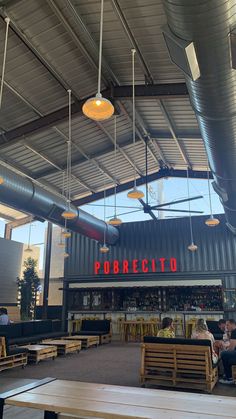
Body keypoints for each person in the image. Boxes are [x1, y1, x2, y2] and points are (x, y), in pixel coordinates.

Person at [219, 319, 236, 385]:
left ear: (232, 324)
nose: (226, 326)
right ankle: (227, 374)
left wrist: (225, 350)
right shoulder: (233, 332)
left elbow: (231, 348)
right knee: (227, 355)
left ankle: (229, 378)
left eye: (227, 325)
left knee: (223, 354)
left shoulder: (235, 332)